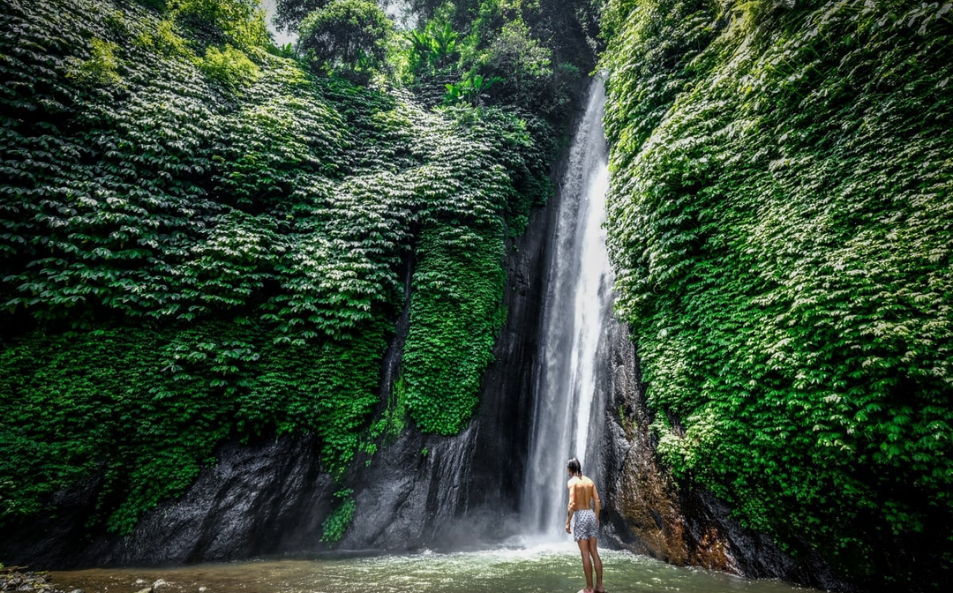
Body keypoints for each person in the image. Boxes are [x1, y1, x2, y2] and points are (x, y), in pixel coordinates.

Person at [565, 457, 604, 593]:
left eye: (567, 469)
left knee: (585, 554)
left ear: (570, 469)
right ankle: (599, 586)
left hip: (581, 516)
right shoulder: (589, 481)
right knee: (594, 552)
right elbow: (597, 501)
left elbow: (572, 504)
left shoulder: (572, 482)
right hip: (591, 514)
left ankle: (589, 588)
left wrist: (568, 521)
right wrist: (597, 517)